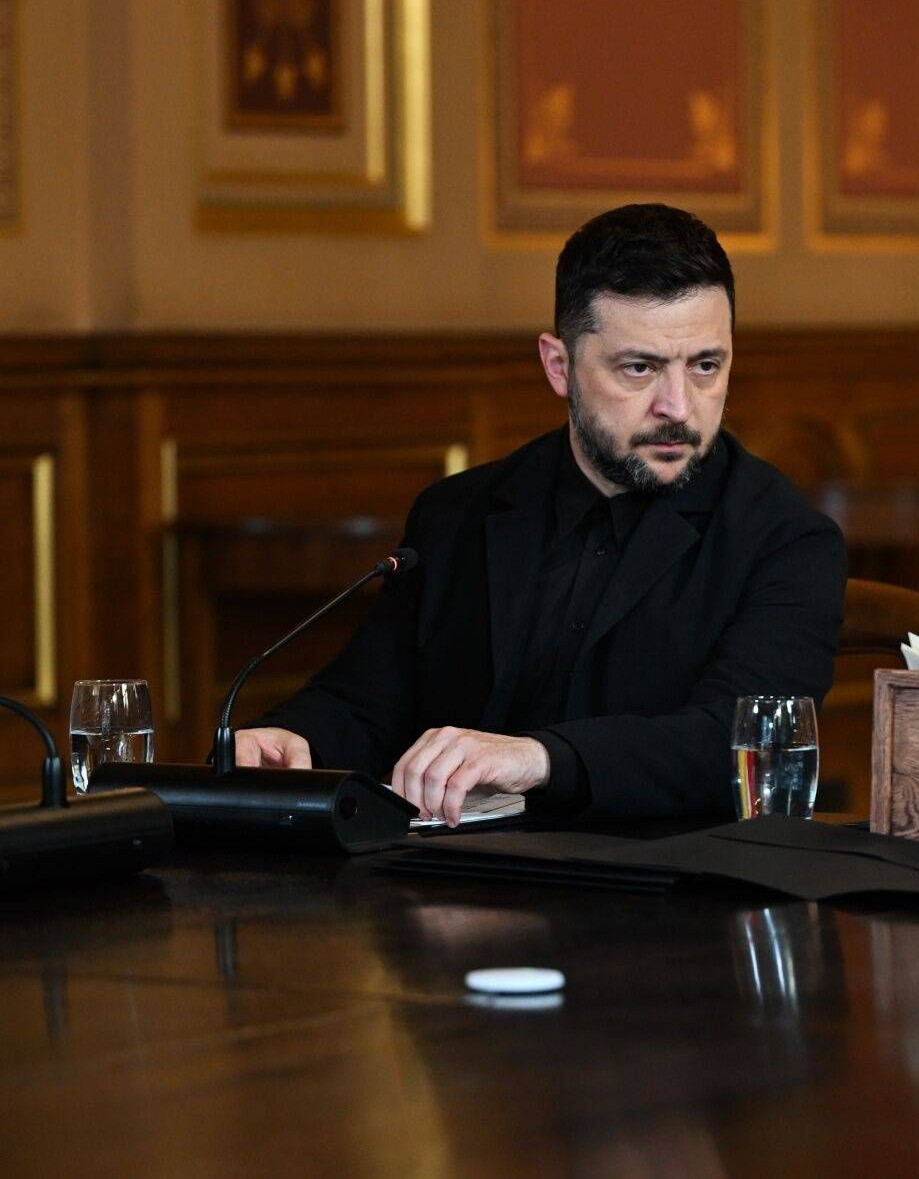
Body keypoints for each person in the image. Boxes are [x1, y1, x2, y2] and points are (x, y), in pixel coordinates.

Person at [233, 204, 845, 825]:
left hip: (666, 878)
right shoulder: (456, 515)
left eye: (705, 366)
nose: (678, 406)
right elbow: (365, 704)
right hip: (456, 874)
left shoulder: (787, 540)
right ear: (559, 366)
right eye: (640, 368)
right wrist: (292, 739)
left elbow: (733, 747)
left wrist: (541, 758)